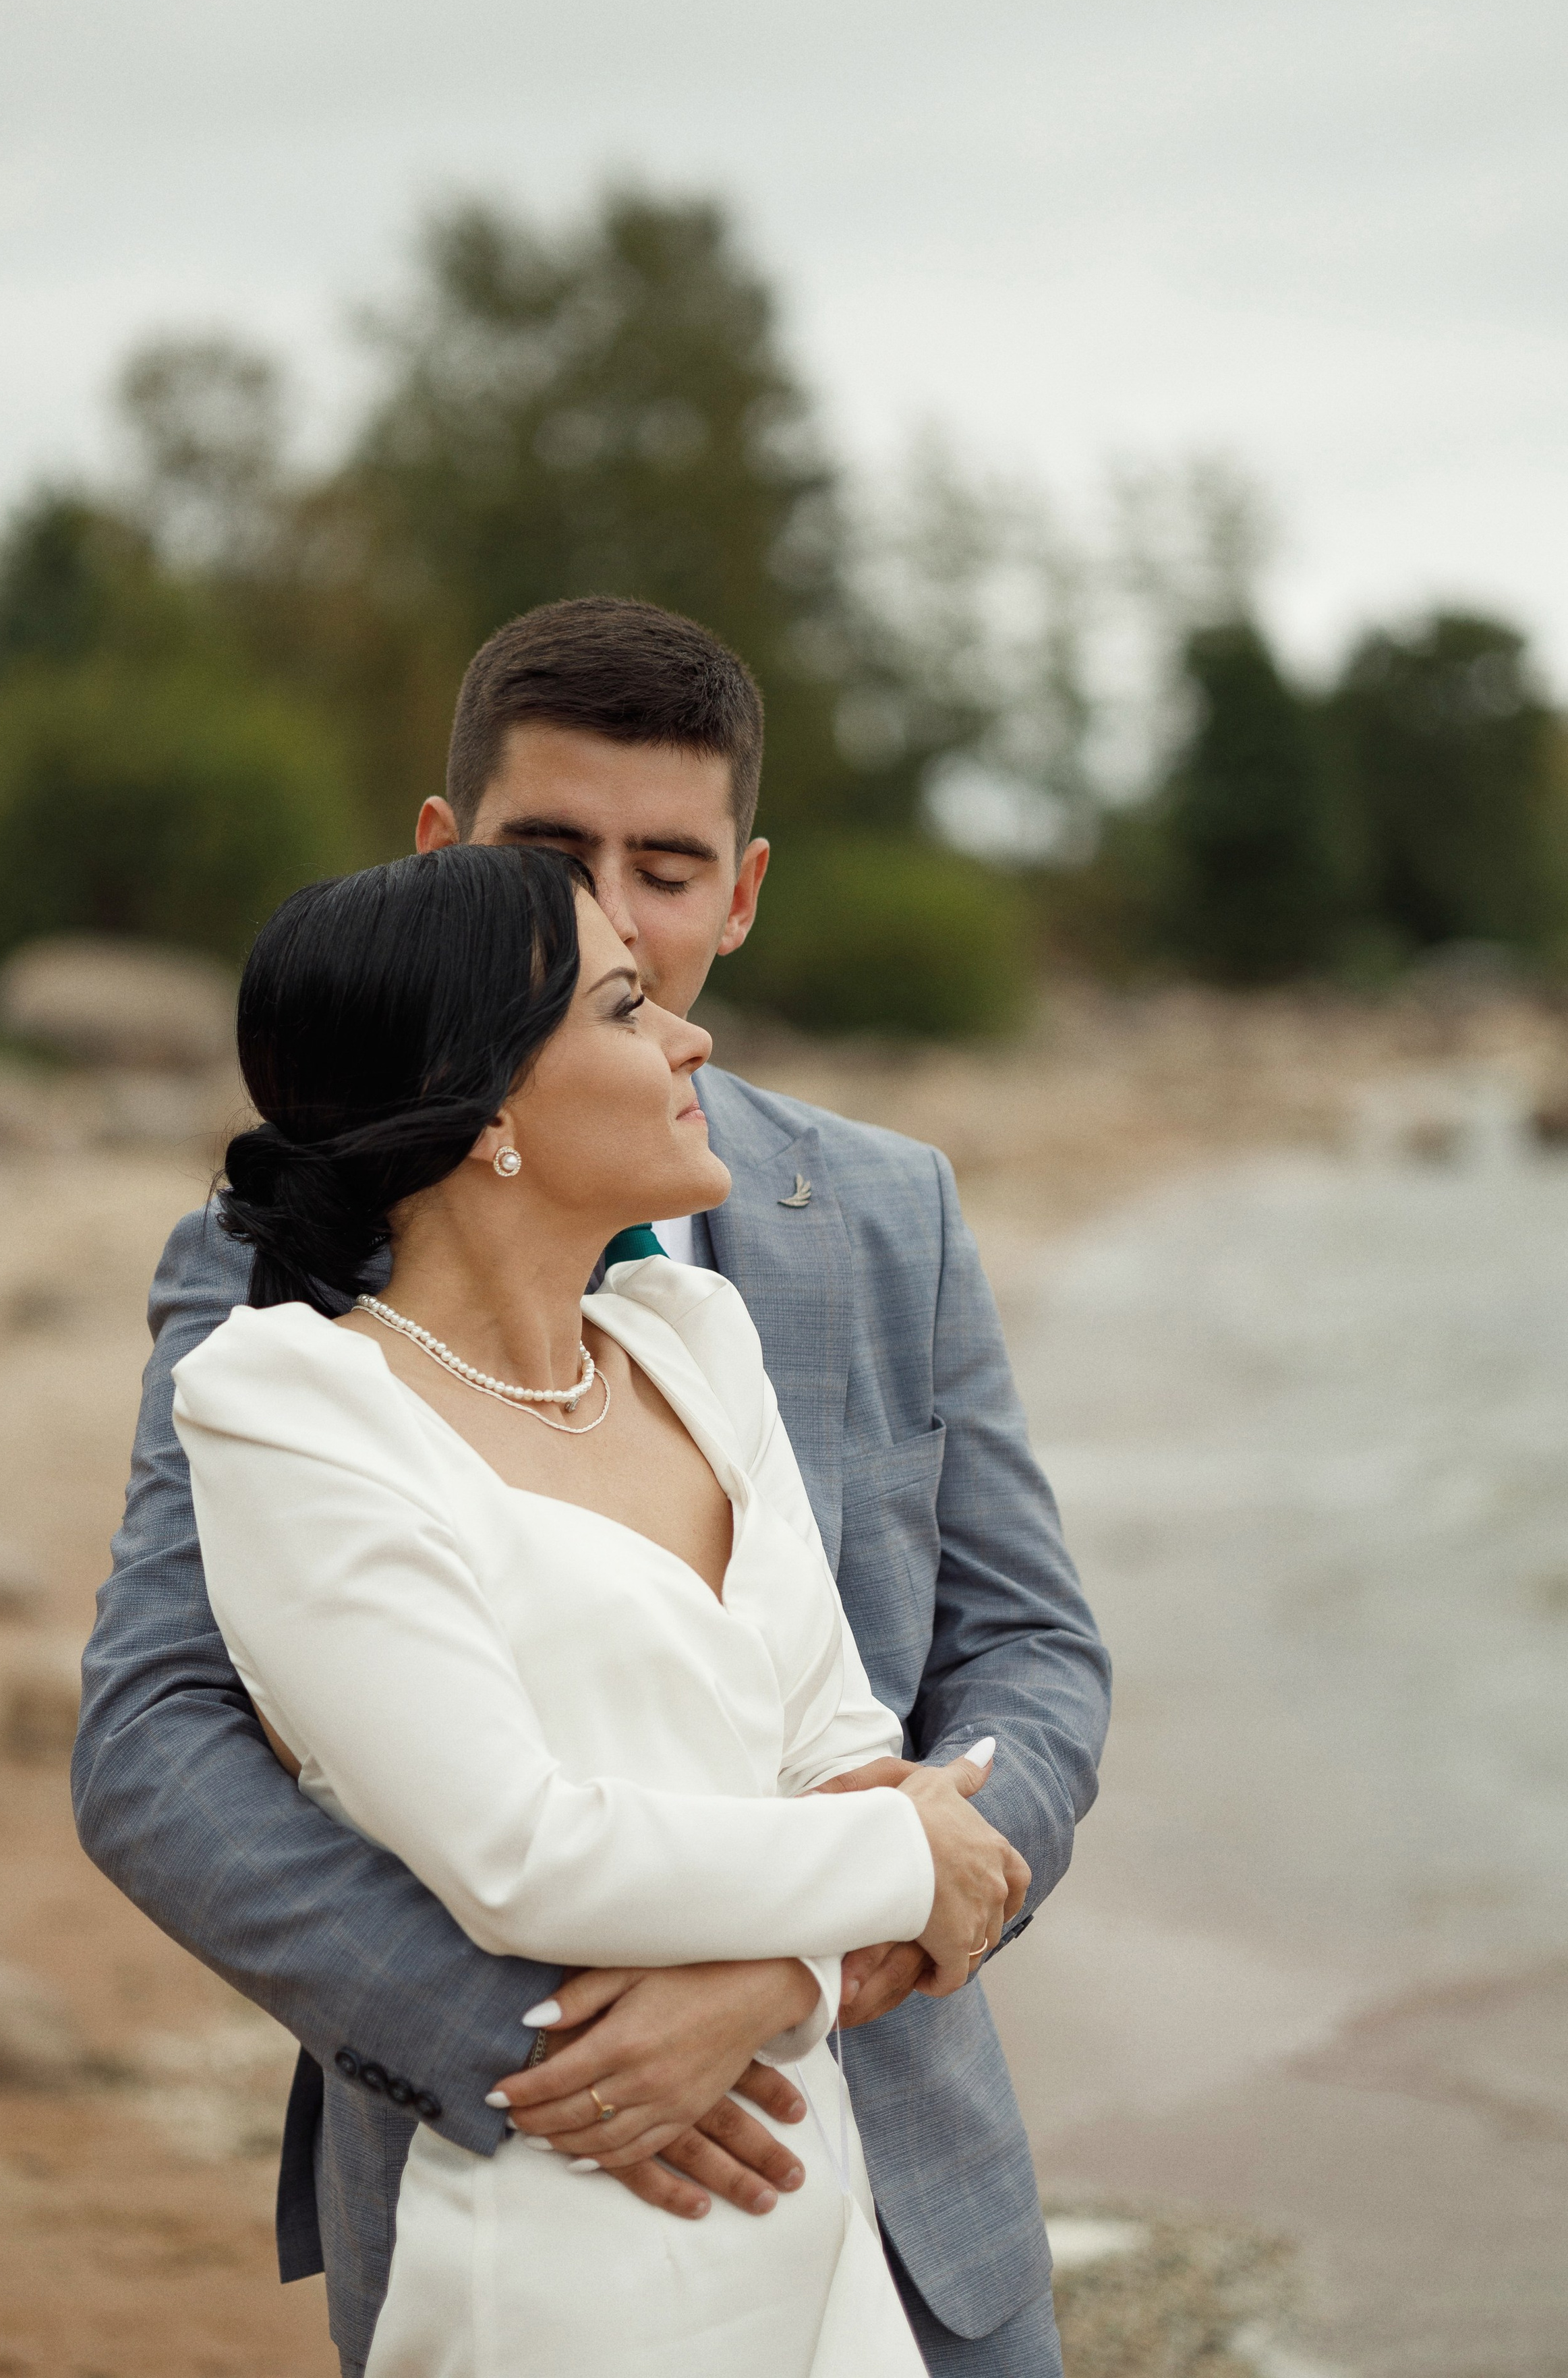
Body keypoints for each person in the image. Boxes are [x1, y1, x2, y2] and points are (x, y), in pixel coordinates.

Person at [74, 597, 1111, 2378]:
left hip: (912, 2186)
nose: (619, 916)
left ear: (744, 890)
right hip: (542, 2164)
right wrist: (550, 2052)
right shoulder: (265, 1285)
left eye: (670, 869)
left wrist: (820, 1964)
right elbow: (156, 1739)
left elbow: (1025, 1655)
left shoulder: (870, 1220)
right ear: (442, 856)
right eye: (555, 854)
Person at [177, 840, 1017, 2373]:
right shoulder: (296, 1409)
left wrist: (800, 1969)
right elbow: (521, 1853)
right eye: (625, 1009)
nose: (692, 1038)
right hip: (571, 2245)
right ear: (487, 1102)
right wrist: (911, 1849)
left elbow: (838, 1746)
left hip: (796, 2173)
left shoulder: (691, 1340)